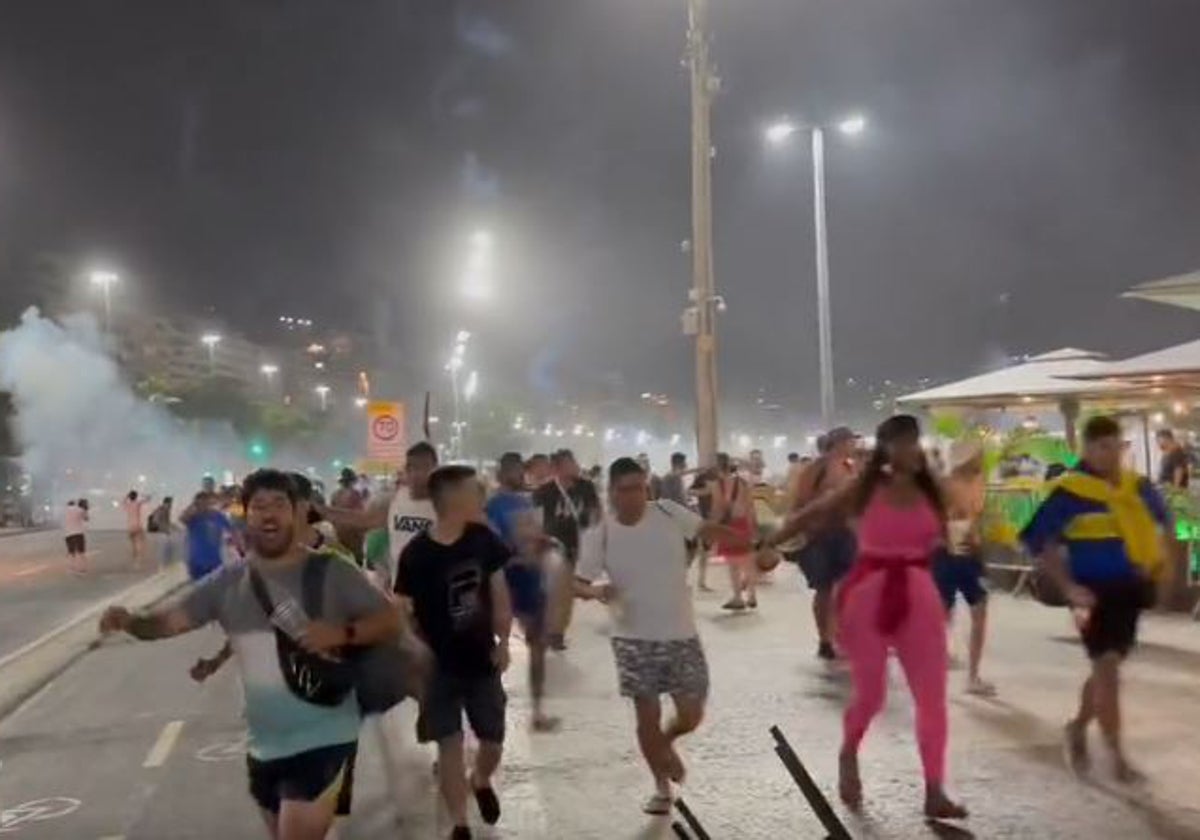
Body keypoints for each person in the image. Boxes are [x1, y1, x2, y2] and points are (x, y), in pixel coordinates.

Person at [100, 469, 401, 840]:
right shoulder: (228, 582)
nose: (269, 514)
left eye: (279, 505)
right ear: (247, 515)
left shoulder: (332, 572)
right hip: (265, 746)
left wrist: (343, 633)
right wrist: (130, 622)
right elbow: (168, 622)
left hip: (326, 736)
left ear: (297, 513)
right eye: (260, 506)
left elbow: (390, 620)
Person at [765, 415, 966, 819]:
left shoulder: (934, 489)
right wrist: (767, 542)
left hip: (919, 594)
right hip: (870, 593)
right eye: (899, 443)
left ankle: (934, 788)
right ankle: (848, 752)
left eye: (913, 442)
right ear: (884, 448)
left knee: (932, 700)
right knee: (871, 696)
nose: (908, 450)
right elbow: (811, 514)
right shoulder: (864, 487)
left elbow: (950, 535)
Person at [575, 457, 754, 815]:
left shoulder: (670, 513)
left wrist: (753, 541)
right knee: (647, 716)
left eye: (640, 488)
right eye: (626, 489)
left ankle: (667, 742)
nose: (635, 496)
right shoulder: (602, 533)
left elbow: (707, 531)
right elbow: (577, 582)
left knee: (691, 713)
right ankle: (660, 786)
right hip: (633, 639)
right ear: (612, 492)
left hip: (681, 634)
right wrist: (597, 592)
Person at [1021, 415, 1169, 783]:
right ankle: (1116, 756)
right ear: (1086, 449)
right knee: (1107, 668)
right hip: (1089, 592)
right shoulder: (1070, 492)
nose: (1110, 454)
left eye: (1115, 446)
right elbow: (1041, 543)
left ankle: (1077, 726)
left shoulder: (1137, 487)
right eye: (1102, 446)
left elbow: (1164, 522)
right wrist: (1069, 586)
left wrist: (1159, 568)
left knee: (1107, 668)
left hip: (1129, 589)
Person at [395, 465, 513, 840]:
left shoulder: (484, 540)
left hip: (482, 661)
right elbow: (401, 606)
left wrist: (505, 642)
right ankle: (459, 824)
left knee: (492, 740)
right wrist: (412, 648)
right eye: (474, 491)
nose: (481, 496)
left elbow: (499, 594)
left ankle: (480, 779)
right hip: (438, 667)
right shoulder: (416, 553)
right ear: (452, 499)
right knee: (449, 743)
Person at [485, 452, 559, 732]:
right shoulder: (492, 506)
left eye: (520, 470)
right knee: (490, 648)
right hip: (504, 580)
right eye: (513, 471)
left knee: (538, 645)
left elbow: (534, 535)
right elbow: (491, 544)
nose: (518, 475)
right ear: (502, 473)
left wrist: (543, 544)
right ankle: (487, 714)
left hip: (530, 579)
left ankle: (538, 711)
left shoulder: (527, 501)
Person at [789, 426, 859, 660]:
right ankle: (829, 637)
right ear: (840, 443)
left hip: (834, 535)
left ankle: (834, 635)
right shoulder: (821, 470)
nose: (854, 445)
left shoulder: (842, 468)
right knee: (830, 588)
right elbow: (802, 502)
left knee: (836, 587)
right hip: (825, 535)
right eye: (851, 441)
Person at [933, 440, 995, 696]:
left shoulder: (979, 483)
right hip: (945, 555)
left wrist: (979, 544)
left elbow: (976, 517)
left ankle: (973, 674)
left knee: (979, 609)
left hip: (969, 555)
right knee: (942, 614)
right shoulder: (944, 484)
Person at [533, 449, 601, 650]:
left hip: (578, 546)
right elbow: (536, 520)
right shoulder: (544, 492)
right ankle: (554, 632)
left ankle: (557, 631)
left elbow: (596, 514)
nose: (575, 466)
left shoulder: (586, 487)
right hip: (553, 547)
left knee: (567, 591)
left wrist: (596, 537)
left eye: (574, 462)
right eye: (570, 463)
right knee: (559, 590)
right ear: (558, 468)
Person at [708, 452, 759, 611]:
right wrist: (753, 528)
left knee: (733, 566)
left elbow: (717, 509)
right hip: (743, 524)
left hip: (728, 527)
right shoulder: (742, 483)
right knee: (748, 563)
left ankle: (738, 597)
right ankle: (752, 595)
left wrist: (711, 528)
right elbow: (750, 507)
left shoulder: (717, 485)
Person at [181, 492, 233, 582]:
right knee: (200, 591)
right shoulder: (194, 518)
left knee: (216, 590)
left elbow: (232, 532)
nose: (203, 506)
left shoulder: (218, 516)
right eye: (199, 504)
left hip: (215, 562)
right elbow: (182, 518)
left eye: (206, 502)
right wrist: (193, 507)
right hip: (196, 564)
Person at [123, 490, 152, 568]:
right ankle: (138, 561)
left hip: (130, 526)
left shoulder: (128, 504)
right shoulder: (137, 503)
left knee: (133, 545)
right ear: (136, 497)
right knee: (141, 542)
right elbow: (147, 499)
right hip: (138, 525)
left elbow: (124, 500)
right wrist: (147, 496)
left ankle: (135, 561)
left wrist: (127, 495)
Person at [64, 498, 88, 575]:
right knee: (81, 552)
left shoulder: (66, 510)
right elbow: (86, 518)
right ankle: (82, 569)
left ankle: (71, 569)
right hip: (78, 533)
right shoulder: (80, 510)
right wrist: (85, 509)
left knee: (71, 552)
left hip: (68, 534)